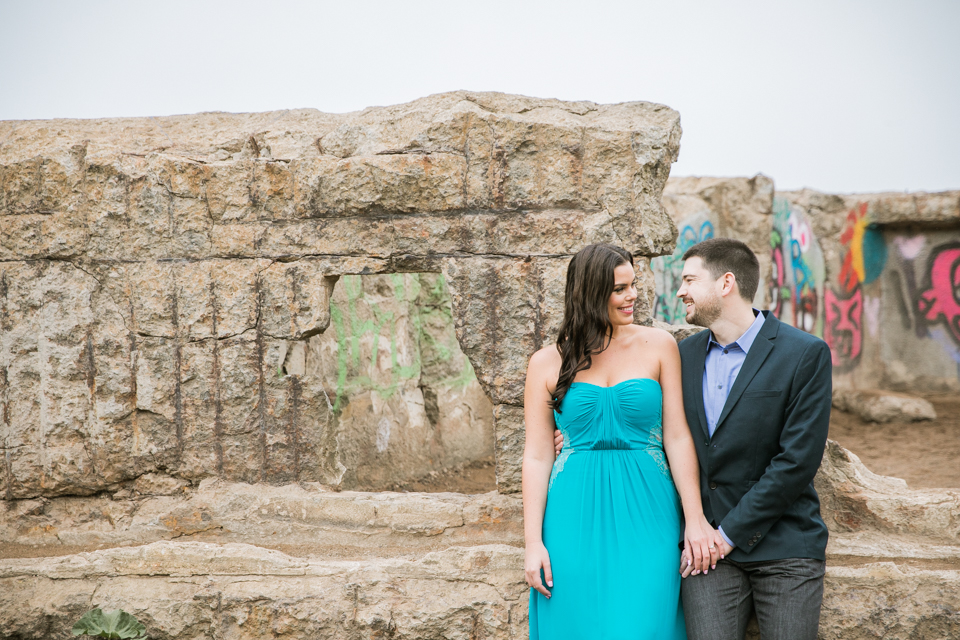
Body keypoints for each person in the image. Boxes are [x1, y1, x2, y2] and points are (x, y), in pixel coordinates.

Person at [556, 237, 833, 640]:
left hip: (783, 545)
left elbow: (797, 463)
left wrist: (725, 536)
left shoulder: (804, 354)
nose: (679, 290)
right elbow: (653, 423)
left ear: (725, 284)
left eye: (688, 280)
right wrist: (569, 432)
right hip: (703, 551)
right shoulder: (680, 355)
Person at [523, 243, 720, 640]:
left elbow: (678, 437)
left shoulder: (659, 345)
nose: (633, 296)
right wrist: (532, 543)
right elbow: (537, 456)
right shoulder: (546, 362)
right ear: (590, 294)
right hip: (570, 515)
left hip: (650, 511)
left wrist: (695, 518)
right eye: (619, 289)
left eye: (633, 285)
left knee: (645, 623)